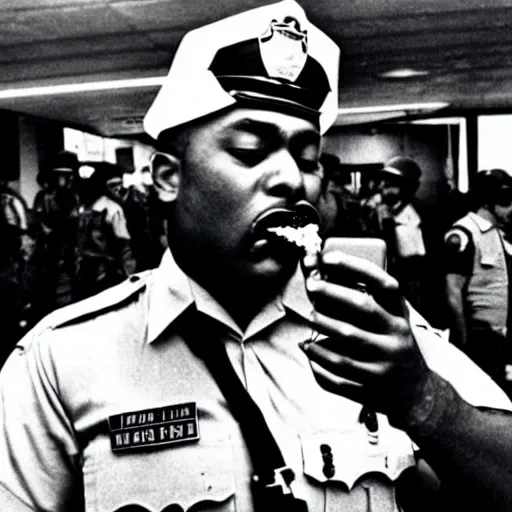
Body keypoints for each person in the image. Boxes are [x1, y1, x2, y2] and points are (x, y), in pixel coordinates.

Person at [1, 2, 512, 511]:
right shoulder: (60, 362)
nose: (293, 179)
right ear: (167, 178)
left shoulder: (376, 338)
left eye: (307, 158)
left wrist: (426, 403)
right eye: (250, 151)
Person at [444, 168, 512, 395]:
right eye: (506, 200)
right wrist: (462, 344)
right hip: (478, 338)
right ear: (488, 201)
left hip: (498, 338)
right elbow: (453, 292)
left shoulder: (496, 234)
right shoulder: (463, 234)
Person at [359, 156, 443, 326]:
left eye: (389, 185)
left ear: (406, 188)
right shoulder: (380, 211)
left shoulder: (415, 216)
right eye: (382, 183)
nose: (382, 188)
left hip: (412, 291)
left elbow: (411, 258)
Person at [70, 161, 136, 301]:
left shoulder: (112, 208)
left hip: (105, 274)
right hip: (82, 274)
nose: (84, 189)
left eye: (88, 185)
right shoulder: (79, 209)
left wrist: (129, 277)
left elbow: (124, 246)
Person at [30, 150, 80, 322]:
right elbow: (42, 227)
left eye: (71, 176)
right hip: (49, 254)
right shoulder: (43, 197)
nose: (69, 180)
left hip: (69, 254)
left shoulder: (73, 198)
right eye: (64, 176)